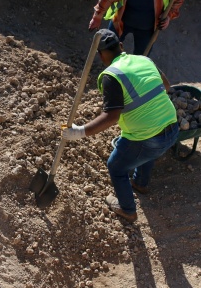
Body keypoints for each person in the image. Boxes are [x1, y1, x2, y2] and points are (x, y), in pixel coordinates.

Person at [63, 29, 179, 222]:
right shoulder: (144, 60)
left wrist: (79, 132)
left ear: (101, 56)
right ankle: (140, 183)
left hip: (148, 138)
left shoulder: (111, 76)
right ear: (122, 46)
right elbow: (166, 86)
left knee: (116, 166)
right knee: (147, 150)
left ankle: (127, 210)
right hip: (172, 128)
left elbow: (111, 116)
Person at [88, 0, 185, 56]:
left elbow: (178, 0)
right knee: (108, 48)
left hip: (147, 28)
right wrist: (97, 17)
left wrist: (168, 16)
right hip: (121, 20)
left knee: (140, 58)